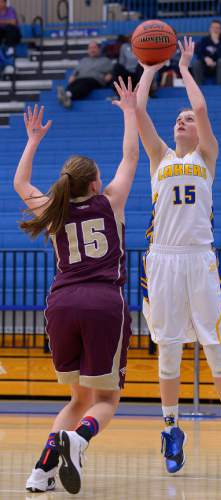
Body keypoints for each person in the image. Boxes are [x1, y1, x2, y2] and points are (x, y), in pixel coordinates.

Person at [14, 77, 139, 494]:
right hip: (103, 303)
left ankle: (40, 472)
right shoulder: (111, 201)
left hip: (61, 305)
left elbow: (19, 183)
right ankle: (80, 438)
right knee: (105, 402)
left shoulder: (53, 208)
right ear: (93, 184)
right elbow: (131, 157)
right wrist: (129, 112)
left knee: (77, 399)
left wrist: (32, 140)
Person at [136, 37, 221, 474]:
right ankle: (170, 429)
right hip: (163, 260)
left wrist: (183, 68)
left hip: (199, 259)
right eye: (179, 119)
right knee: (168, 350)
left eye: (188, 119)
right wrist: (149, 68)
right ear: (171, 132)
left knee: (215, 347)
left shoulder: (206, 156)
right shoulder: (158, 158)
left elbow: (201, 110)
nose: (184, 120)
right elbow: (140, 114)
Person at [57, 41, 113, 108]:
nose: (92, 50)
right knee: (73, 83)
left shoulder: (106, 60)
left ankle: (67, 95)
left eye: (94, 48)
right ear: (88, 50)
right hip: (80, 80)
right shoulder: (83, 60)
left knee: (86, 82)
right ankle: (67, 97)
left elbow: (112, 71)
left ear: (99, 49)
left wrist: (110, 74)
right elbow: (76, 71)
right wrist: (73, 75)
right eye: (90, 48)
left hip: (95, 80)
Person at [192, 19, 221, 85]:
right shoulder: (205, 40)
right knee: (197, 63)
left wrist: (216, 42)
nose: (215, 30)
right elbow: (199, 52)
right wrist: (205, 58)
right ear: (210, 29)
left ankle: (220, 86)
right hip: (207, 66)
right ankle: (198, 87)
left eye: (217, 28)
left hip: (220, 67)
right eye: (213, 27)